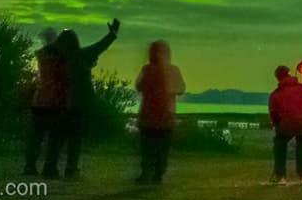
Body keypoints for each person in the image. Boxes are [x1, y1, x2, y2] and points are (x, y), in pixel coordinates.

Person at [43, 18, 120, 179]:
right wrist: (112, 34)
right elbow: (101, 46)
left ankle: (49, 168)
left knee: (56, 137)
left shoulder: (54, 60)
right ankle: (71, 170)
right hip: (79, 104)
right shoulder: (83, 55)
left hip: (58, 103)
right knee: (75, 138)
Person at [135, 40, 186, 185]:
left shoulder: (146, 69)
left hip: (148, 116)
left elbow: (138, 86)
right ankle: (158, 174)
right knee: (162, 148)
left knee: (147, 147)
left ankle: (146, 173)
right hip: (166, 116)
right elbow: (181, 88)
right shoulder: (173, 70)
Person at [23, 28, 67, 177]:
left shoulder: (41, 55)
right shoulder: (61, 56)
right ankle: (50, 168)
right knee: (54, 137)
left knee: (36, 137)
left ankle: (29, 166)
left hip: (39, 99)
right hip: (55, 100)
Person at [268, 65, 302, 184]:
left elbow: (274, 113)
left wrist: (277, 125)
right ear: (289, 74)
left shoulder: (275, 94)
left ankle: (281, 176)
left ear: (278, 78)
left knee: (280, 144)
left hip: (286, 124)